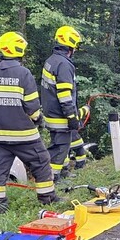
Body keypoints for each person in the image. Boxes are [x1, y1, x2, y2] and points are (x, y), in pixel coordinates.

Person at [0, 32, 58, 213]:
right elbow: (32, 106)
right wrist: (38, 119)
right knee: (41, 161)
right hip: (24, 135)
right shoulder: (23, 73)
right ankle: (47, 198)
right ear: (19, 50)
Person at [41, 25, 83, 181]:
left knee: (60, 146)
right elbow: (64, 94)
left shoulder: (51, 60)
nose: (76, 49)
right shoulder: (64, 65)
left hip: (50, 113)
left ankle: (63, 173)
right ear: (70, 45)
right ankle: (54, 179)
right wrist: (72, 116)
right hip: (60, 116)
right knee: (60, 149)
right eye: (75, 46)